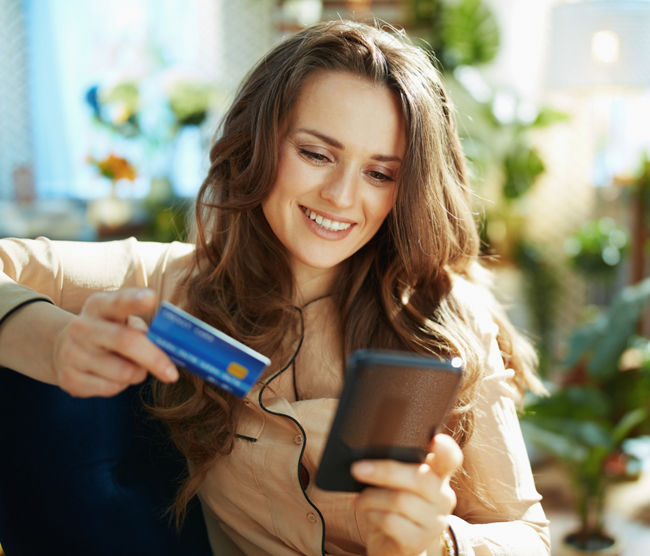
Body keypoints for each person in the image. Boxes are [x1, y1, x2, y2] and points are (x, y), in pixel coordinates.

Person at [0, 19, 550, 556]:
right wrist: (53, 343)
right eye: (316, 154)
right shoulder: (176, 283)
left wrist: (438, 545)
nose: (340, 196)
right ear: (258, 143)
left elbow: (529, 537)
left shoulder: (443, 320)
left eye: (379, 173)